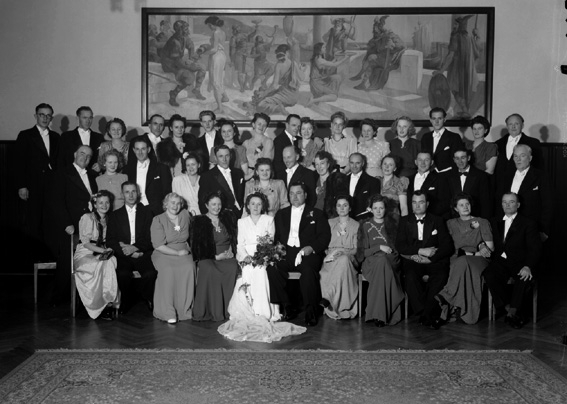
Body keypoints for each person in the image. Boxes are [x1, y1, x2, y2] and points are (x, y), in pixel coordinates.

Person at [218, 193, 307, 342]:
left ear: (263, 206)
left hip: (263, 255)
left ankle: (264, 311)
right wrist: (245, 256)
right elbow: (240, 244)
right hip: (246, 255)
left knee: (260, 271)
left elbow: (269, 242)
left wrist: (262, 256)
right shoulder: (242, 221)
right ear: (248, 206)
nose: (255, 207)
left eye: (259, 204)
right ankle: (250, 310)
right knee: (247, 270)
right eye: (252, 204)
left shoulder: (268, 220)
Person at [273, 182, 332, 326]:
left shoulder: (317, 214)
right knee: (272, 269)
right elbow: (276, 237)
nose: (295, 197)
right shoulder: (281, 214)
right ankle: (288, 306)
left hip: (308, 253)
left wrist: (312, 248)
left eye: (298, 193)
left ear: (305, 195)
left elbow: (324, 236)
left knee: (308, 271)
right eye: (291, 193)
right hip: (286, 253)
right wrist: (278, 250)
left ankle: (311, 310)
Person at [483, 192, 542, 328]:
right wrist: (481, 245)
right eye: (504, 202)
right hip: (501, 262)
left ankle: (513, 312)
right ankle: (508, 308)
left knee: (523, 277)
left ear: (518, 205)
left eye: (511, 202)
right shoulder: (494, 221)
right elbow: (483, 237)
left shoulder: (528, 223)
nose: (507, 205)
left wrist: (528, 266)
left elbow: (535, 249)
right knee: (489, 274)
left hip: (521, 262)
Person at [396, 192, 454, 329]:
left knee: (440, 276)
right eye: (414, 202)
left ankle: (427, 314)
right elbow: (400, 246)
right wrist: (420, 251)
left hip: (434, 261)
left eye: (421, 202)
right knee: (410, 277)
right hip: (414, 260)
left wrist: (431, 259)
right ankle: (427, 311)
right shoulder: (404, 221)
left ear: (427, 204)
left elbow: (447, 246)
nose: (417, 205)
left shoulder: (438, 220)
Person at [436, 193, 493, 324]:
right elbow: (447, 245)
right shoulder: (450, 223)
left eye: (467, 204)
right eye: (461, 205)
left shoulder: (482, 222)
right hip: (457, 259)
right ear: (456, 208)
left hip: (479, 259)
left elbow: (490, 248)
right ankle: (459, 310)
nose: (465, 207)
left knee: (463, 261)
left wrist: (479, 248)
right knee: (460, 264)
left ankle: (446, 296)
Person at [52, 145, 98, 305]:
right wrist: (67, 224)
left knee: (89, 258)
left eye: (88, 156)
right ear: (74, 154)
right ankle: (60, 298)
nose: (85, 157)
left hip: (90, 224)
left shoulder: (92, 175)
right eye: (82, 153)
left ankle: (84, 297)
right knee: (67, 260)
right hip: (71, 224)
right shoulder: (62, 173)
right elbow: (56, 201)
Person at [15, 103, 60, 261]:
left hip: (51, 187)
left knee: (50, 222)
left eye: (48, 115)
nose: (45, 118)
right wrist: (22, 185)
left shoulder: (56, 137)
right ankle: (34, 259)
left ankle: (49, 259)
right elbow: (19, 162)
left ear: (51, 118)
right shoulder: (26, 135)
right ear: (36, 116)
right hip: (33, 186)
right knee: (34, 222)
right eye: (42, 115)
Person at [106, 182, 157, 314]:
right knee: (122, 274)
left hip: (142, 253)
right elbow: (110, 240)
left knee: (150, 274)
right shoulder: (115, 215)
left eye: (133, 191)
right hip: (123, 255)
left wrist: (134, 249)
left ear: (138, 193)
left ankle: (148, 298)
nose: (130, 195)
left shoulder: (147, 212)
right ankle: (127, 300)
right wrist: (126, 251)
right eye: (127, 192)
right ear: (122, 194)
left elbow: (150, 237)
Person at [191, 192, 238, 321]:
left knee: (232, 267)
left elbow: (234, 238)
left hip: (227, 255)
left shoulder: (228, 218)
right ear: (206, 205)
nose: (217, 207)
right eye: (213, 204)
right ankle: (213, 311)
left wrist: (231, 251)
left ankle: (228, 310)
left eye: (219, 204)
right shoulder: (198, 221)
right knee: (209, 269)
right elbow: (197, 246)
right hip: (208, 257)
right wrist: (216, 257)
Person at [357, 194, 404, 327]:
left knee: (383, 261)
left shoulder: (393, 224)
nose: (378, 211)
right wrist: (378, 247)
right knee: (381, 262)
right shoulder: (365, 225)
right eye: (375, 208)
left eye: (381, 208)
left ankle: (377, 314)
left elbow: (398, 248)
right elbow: (362, 253)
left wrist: (387, 251)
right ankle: (383, 314)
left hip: (390, 259)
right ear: (370, 209)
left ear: (386, 209)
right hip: (371, 262)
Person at [73, 190, 119, 320]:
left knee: (111, 261)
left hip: (101, 251)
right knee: (100, 264)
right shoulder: (87, 217)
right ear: (95, 204)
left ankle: (108, 302)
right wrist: (103, 251)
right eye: (100, 203)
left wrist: (108, 250)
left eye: (107, 202)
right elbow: (86, 243)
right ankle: (97, 304)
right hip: (85, 253)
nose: (104, 205)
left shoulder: (110, 219)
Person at [151, 193, 195, 324]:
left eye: (178, 203)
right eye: (172, 203)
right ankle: (168, 312)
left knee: (189, 267)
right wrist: (177, 253)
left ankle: (184, 310)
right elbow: (158, 245)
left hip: (183, 250)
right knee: (168, 270)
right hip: (164, 252)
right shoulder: (158, 220)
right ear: (166, 204)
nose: (175, 206)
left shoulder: (185, 215)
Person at [495, 144, 553, 240]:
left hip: (532, 229)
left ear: (530, 158)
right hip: (508, 228)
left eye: (522, 156)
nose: (518, 159)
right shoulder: (506, 176)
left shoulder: (541, 176)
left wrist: (544, 230)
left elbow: (548, 205)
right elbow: (499, 201)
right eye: (515, 156)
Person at [319, 196, 359, 320]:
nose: (342, 208)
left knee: (344, 259)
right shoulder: (329, 223)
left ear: (350, 208)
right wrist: (328, 254)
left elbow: (355, 249)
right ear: (336, 208)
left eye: (345, 205)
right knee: (339, 261)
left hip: (349, 257)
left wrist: (342, 252)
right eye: (339, 205)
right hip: (331, 258)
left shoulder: (356, 225)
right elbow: (322, 244)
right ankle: (332, 300)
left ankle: (329, 296)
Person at [433, 15, 480, 117]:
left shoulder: (455, 37)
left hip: (456, 70)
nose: (454, 26)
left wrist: (441, 71)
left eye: (456, 24)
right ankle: (465, 110)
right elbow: (477, 53)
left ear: (460, 26)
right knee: (466, 90)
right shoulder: (470, 37)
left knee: (455, 90)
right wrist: (477, 36)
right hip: (468, 70)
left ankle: (465, 110)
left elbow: (450, 56)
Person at [350, 15, 406, 91]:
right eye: (374, 29)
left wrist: (392, 45)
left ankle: (361, 77)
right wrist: (360, 47)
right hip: (380, 58)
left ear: (380, 28)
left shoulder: (390, 35)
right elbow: (370, 46)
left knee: (371, 57)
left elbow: (402, 45)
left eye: (376, 29)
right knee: (370, 63)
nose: (374, 30)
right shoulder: (378, 38)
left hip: (388, 60)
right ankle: (363, 83)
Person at [161, 20, 206, 106]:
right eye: (185, 29)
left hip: (177, 61)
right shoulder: (174, 42)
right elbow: (177, 61)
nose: (188, 31)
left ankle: (196, 90)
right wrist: (190, 66)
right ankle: (173, 94)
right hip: (169, 64)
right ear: (179, 30)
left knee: (202, 67)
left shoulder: (184, 37)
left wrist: (191, 59)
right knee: (189, 76)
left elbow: (191, 45)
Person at [125, 136, 172, 217]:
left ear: (149, 149)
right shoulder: (127, 169)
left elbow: (167, 192)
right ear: (134, 150)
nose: (140, 152)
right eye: (137, 149)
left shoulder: (161, 168)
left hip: (156, 212)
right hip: (134, 211)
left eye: (143, 149)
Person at [254, 44, 302, 116]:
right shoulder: (293, 63)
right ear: (287, 52)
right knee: (267, 94)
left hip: (285, 95)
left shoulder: (279, 65)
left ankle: (278, 108)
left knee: (260, 105)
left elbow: (274, 86)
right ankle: (278, 105)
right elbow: (302, 78)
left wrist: (264, 93)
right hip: (294, 97)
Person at [198, 145, 245, 215]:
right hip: (221, 216)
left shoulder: (238, 173)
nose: (224, 159)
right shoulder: (207, 176)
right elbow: (202, 202)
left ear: (231, 156)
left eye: (227, 156)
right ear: (215, 158)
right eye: (221, 156)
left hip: (241, 214)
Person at [494, 113, 543, 179]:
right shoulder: (497, 143)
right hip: (500, 183)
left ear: (522, 126)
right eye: (510, 124)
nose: (513, 127)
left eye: (516, 124)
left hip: (524, 182)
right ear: (507, 126)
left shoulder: (533, 143)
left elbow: (538, 166)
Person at [446, 148, 492, 219]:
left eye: (463, 158)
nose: (460, 161)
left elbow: (485, 202)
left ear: (468, 158)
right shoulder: (449, 176)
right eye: (457, 158)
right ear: (454, 160)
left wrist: (483, 221)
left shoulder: (481, 175)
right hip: (454, 219)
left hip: (475, 218)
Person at [406, 151, 451, 220]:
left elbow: (444, 203)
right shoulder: (407, 180)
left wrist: (427, 218)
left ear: (432, 162)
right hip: (410, 220)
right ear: (416, 162)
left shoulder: (440, 180)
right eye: (420, 160)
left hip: (432, 220)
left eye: (426, 160)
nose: (423, 163)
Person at [58, 106, 104, 172]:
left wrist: (101, 166)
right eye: (85, 118)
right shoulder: (66, 136)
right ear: (77, 118)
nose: (88, 121)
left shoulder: (99, 137)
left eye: (90, 118)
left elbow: (104, 159)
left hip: (92, 175)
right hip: (71, 175)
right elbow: (61, 159)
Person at [421, 107, 465, 174]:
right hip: (428, 175)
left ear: (444, 119)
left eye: (439, 118)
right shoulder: (425, 137)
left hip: (448, 175)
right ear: (430, 120)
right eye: (434, 118)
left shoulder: (454, 137)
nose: (436, 121)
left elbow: (457, 160)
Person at [313, 151, 349, 218]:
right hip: (314, 216)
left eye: (322, 163)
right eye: (317, 164)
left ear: (328, 164)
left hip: (330, 217)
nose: (319, 167)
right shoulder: (313, 180)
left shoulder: (336, 181)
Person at [205, 16, 229, 113]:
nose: (209, 27)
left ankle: (220, 108)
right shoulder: (222, 32)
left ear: (212, 24)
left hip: (216, 57)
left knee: (215, 81)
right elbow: (220, 46)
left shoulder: (215, 33)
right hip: (222, 56)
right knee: (219, 79)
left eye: (209, 25)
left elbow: (214, 49)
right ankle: (225, 97)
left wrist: (204, 53)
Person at [347, 153, 381, 219]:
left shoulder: (373, 182)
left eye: (357, 163)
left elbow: (374, 204)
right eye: (352, 163)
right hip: (346, 219)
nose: (354, 166)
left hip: (364, 219)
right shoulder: (342, 180)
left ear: (363, 163)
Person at [379, 155, 409, 225]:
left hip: (392, 219)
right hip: (376, 219)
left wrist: (404, 224)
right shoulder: (376, 180)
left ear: (395, 168)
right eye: (385, 164)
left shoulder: (400, 182)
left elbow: (403, 206)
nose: (387, 167)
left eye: (390, 165)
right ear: (381, 166)